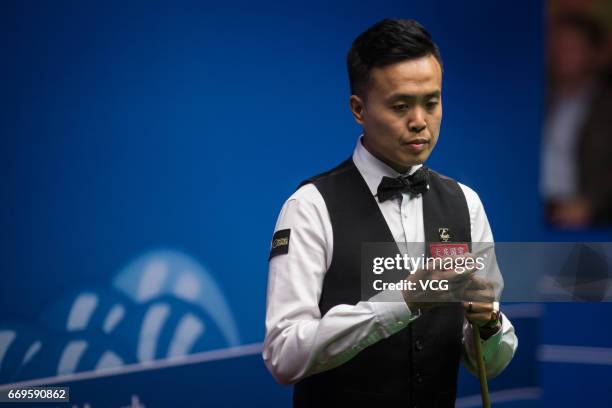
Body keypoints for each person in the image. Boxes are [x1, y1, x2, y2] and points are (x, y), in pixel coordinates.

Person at [263, 19, 518, 407]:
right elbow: (283, 356)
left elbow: (490, 362)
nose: (419, 120)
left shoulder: (466, 203)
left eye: (431, 102)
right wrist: (403, 300)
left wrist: (489, 326)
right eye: (401, 105)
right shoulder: (310, 207)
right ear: (359, 109)